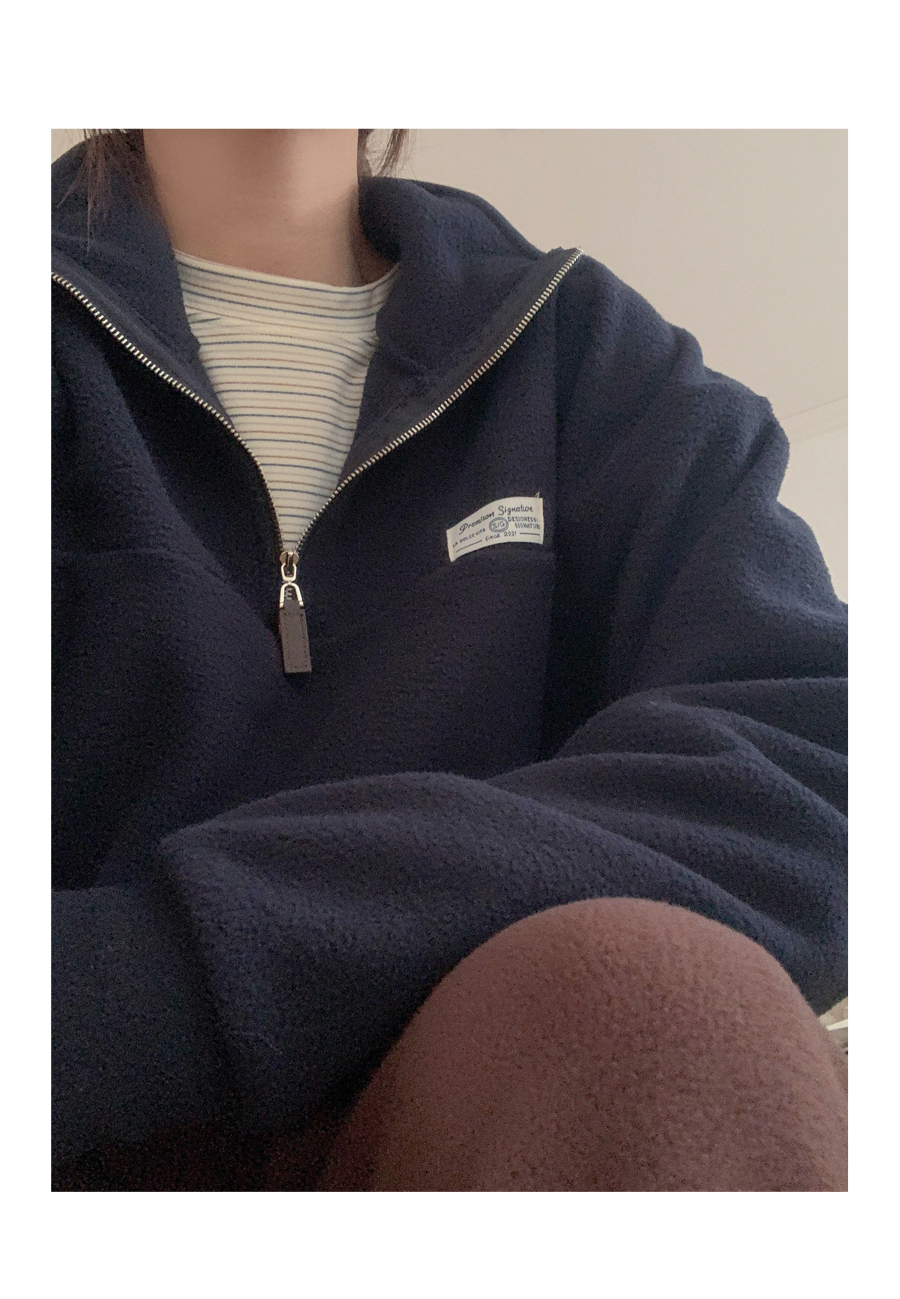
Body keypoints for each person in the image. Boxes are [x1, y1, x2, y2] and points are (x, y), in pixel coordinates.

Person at [52, 129, 848, 1192]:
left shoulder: (592, 353)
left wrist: (176, 972)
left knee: (664, 1012)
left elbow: (818, 762)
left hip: (502, 1111)